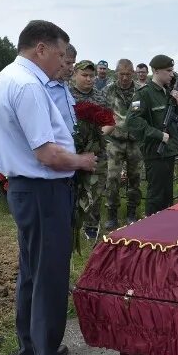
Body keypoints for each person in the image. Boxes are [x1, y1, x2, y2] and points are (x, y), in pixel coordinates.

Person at [0, 20, 98, 355]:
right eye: (60, 53)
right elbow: (49, 154)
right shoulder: (29, 86)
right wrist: (83, 161)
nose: (62, 61)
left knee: (32, 272)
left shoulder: (7, 78)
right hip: (43, 190)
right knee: (49, 277)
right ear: (41, 48)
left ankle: (30, 349)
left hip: (25, 189)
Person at [126, 54, 178, 215]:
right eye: (168, 70)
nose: (171, 74)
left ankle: (165, 228)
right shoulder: (143, 94)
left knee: (167, 193)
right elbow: (132, 121)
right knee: (156, 195)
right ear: (155, 71)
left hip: (169, 149)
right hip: (155, 150)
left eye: (172, 70)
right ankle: (151, 231)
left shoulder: (167, 92)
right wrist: (158, 135)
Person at [68, 59, 111, 239]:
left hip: (96, 150)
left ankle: (91, 225)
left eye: (91, 76)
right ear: (75, 75)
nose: (89, 79)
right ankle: (69, 221)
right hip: (72, 149)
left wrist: (96, 136)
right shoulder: (67, 94)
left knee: (95, 188)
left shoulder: (101, 96)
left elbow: (110, 122)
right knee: (71, 187)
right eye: (84, 75)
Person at [101, 59, 143, 229]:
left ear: (133, 73)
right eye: (121, 74)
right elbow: (101, 111)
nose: (125, 77)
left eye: (128, 74)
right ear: (116, 73)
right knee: (112, 178)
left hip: (135, 141)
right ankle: (112, 213)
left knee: (135, 178)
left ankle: (132, 211)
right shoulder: (108, 90)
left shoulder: (141, 90)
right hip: (114, 141)